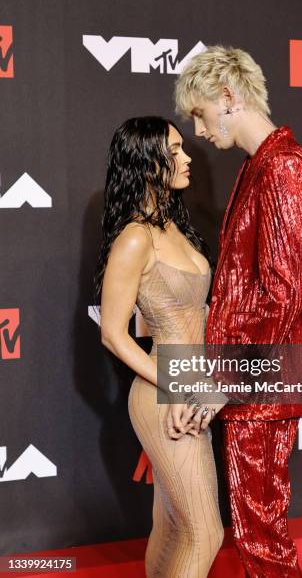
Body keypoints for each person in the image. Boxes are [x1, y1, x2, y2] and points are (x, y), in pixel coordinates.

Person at [174, 46, 302, 577]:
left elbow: (281, 294)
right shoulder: (258, 167)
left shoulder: (284, 167)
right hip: (249, 383)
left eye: (199, 112)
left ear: (229, 97)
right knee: (257, 535)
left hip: (261, 386)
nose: (196, 129)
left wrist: (226, 379)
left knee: (263, 541)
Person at [93, 116, 225, 578]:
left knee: (171, 526)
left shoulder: (172, 224)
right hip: (165, 391)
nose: (188, 158)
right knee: (206, 533)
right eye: (175, 150)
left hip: (192, 389)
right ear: (147, 163)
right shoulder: (134, 237)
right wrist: (180, 383)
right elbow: (112, 333)